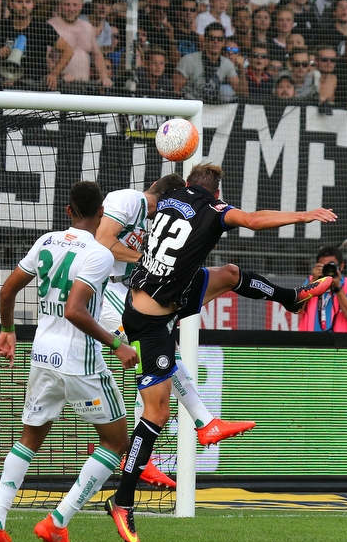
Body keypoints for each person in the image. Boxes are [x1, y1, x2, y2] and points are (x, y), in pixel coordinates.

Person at [105, 163, 337, 542]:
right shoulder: (214, 209)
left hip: (159, 296)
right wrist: (303, 214)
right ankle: (122, 500)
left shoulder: (167, 199)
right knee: (156, 413)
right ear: (215, 194)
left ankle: (292, 299)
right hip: (147, 323)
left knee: (229, 274)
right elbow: (255, 220)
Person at [0, 182, 139, 542]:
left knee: (29, 439)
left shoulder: (47, 240)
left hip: (42, 355)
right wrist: (118, 345)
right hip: (80, 361)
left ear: (68, 211)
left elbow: (6, 292)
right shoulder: (98, 254)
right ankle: (58, 521)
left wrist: (7, 330)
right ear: (101, 214)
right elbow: (76, 311)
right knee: (117, 444)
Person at [95, 175, 257, 488]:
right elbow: (103, 240)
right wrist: (146, 258)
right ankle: (203, 422)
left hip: (123, 295)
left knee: (159, 361)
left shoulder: (154, 220)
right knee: (160, 355)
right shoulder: (129, 200)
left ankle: (146, 454)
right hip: (101, 296)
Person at [301, 246, 347, 332]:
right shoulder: (311, 281)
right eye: (324, 266)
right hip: (311, 342)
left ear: (341, 266)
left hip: (340, 343)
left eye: (331, 266)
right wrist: (313, 282)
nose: (328, 270)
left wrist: (338, 287)